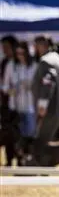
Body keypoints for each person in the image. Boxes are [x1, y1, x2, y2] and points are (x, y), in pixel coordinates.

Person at [31, 36, 59, 164]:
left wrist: (42, 106)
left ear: (40, 45)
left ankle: (39, 167)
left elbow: (48, 83)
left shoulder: (46, 61)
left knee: (43, 141)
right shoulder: (58, 58)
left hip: (53, 110)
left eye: (35, 46)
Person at [5, 41, 37, 149]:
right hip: (15, 106)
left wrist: (31, 86)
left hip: (30, 106)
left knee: (30, 133)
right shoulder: (11, 65)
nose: (20, 56)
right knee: (17, 135)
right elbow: (4, 86)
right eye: (17, 53)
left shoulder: (34, 66)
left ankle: (29, 157)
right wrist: (10, 90)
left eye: (22, 53)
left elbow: (39, 85)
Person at [1, 35, 18, 166]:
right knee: (7, 134)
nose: (4, 50)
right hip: (7, 105)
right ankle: (9, 159)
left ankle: (21, 159)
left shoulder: (21, 62)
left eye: (6, 47)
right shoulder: (4, 63)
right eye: (3, 47)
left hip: (22, 105)